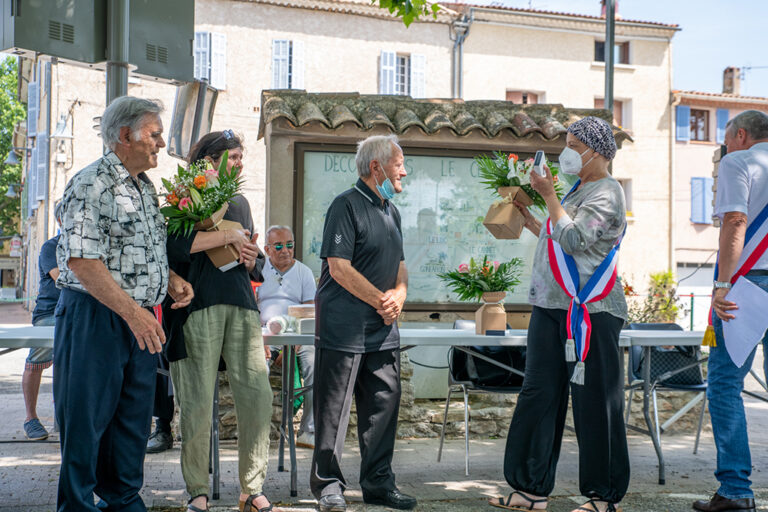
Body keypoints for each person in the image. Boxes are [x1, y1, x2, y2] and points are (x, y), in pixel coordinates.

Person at [53, 96, 194, 512]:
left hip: (138, 320)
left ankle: (122, 498)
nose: (161, 143)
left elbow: (137, 249)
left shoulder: (143, 187)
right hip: (96, 316)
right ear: (124, 135)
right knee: (86, 419)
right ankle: (77, 505)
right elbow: (81, 261)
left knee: (132, 418)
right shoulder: (90, 182)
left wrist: (169, 279)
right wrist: (134, 313)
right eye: (154, 134)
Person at [490, 117, 629, 512]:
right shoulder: (578, 189)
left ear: (595, 151)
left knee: (595, 402)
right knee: (539, 394)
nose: (566, 151)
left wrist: (550, 196)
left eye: (573, 144)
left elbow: (575, 239)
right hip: (551, 307)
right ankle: (531, 489)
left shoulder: (608, 192)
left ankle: (603, 497)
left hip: (591, 311)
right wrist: (532, 217)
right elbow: (557, 239)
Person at [164, 130, 274, 512]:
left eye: (243, 156)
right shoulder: (183, 194)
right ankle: (197, 490)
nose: (242, 162)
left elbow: (255, 260)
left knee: (259, 396)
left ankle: (252, 488)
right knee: (195, 403)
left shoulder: (241, 202)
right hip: (197, 305)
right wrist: (221, 237)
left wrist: (249, 257)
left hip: (242, 304)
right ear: (209, 160)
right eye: (235, 156)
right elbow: (173, 247)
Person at [310, 134, 413, 512]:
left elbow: (400, 265)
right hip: (344, 327)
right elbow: (338, 268)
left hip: (383, 330)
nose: (404, 171)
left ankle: (379, 485)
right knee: (333, 412)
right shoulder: (346, 206)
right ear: (377, 166)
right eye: (399, 163)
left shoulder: (392, 210)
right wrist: (381, 300)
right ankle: (328, 487)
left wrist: (399, 294)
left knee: (383, 406)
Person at [693, 110, 768, 512]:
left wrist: (721, 284)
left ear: (740, 135)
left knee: (724, 383)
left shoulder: (737, 162)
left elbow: (735, 221)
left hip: (751, 282)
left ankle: (736, 490)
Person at [257, 224, 317, 449]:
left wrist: (292, 344)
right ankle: (259, 431)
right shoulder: (258, 269)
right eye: (279, 246)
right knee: (257, 369)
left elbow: (309, 311)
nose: (285, 250)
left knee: (313, 363)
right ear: (267, 248)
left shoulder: (303, 272)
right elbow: (251, 309)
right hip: (264, 336)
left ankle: (308, 431)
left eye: (289, 245)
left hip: (297, 335)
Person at [23, 233, 60, 441]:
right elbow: (59, 276)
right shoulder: (50, 247)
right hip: (50, 312)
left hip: (78, 311)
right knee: (37, 357)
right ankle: (31, 418)